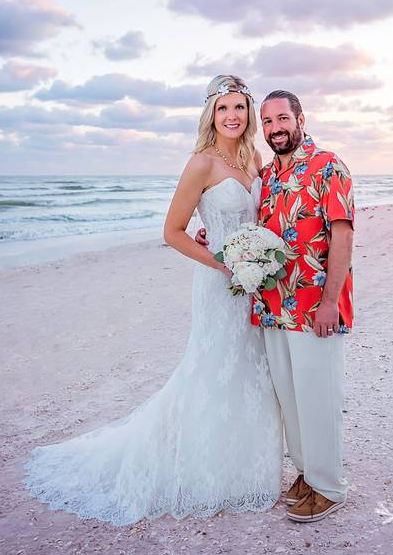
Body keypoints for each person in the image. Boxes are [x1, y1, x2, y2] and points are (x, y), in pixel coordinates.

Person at [23, 75, 283, 526]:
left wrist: (256, 260)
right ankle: (203, 472)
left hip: (254, 282)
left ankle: (248, 470)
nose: (233, 117)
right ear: (211, 115)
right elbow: (172, 232)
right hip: (220, 283)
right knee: (213, 370)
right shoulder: (200, 163)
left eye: (239, 108)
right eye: (223, 109)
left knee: (252, 372)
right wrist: (221, 260)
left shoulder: (252, 158)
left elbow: (257, 217)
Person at [196, 89, 355, 523]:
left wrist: (329, 303)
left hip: (313, 307)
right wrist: (214, 237)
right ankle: (306, 473)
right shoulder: (270, 176)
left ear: (300, 118)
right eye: (267, 122)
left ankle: (330, 486)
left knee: (318, 396)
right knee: (290, 397)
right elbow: (250, 228)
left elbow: (342, 238)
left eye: (282, 119)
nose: (274, 128)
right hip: (270, 305)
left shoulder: (328, 167)